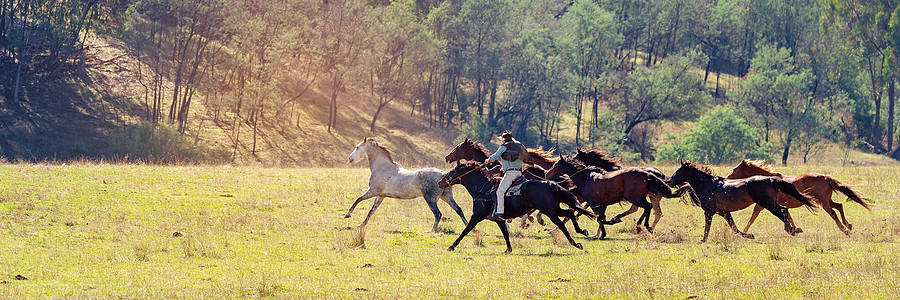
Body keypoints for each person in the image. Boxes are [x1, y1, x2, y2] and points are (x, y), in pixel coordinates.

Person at [484, 130, 529, 221]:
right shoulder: (519, 146)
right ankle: (524, 213)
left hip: (509, 174)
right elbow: (527, 158)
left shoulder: (504, 147)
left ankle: (499, 213)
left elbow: (494, 157)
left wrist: (487, 160)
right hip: (519, 174)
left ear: (503, 139)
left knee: (500, 192)